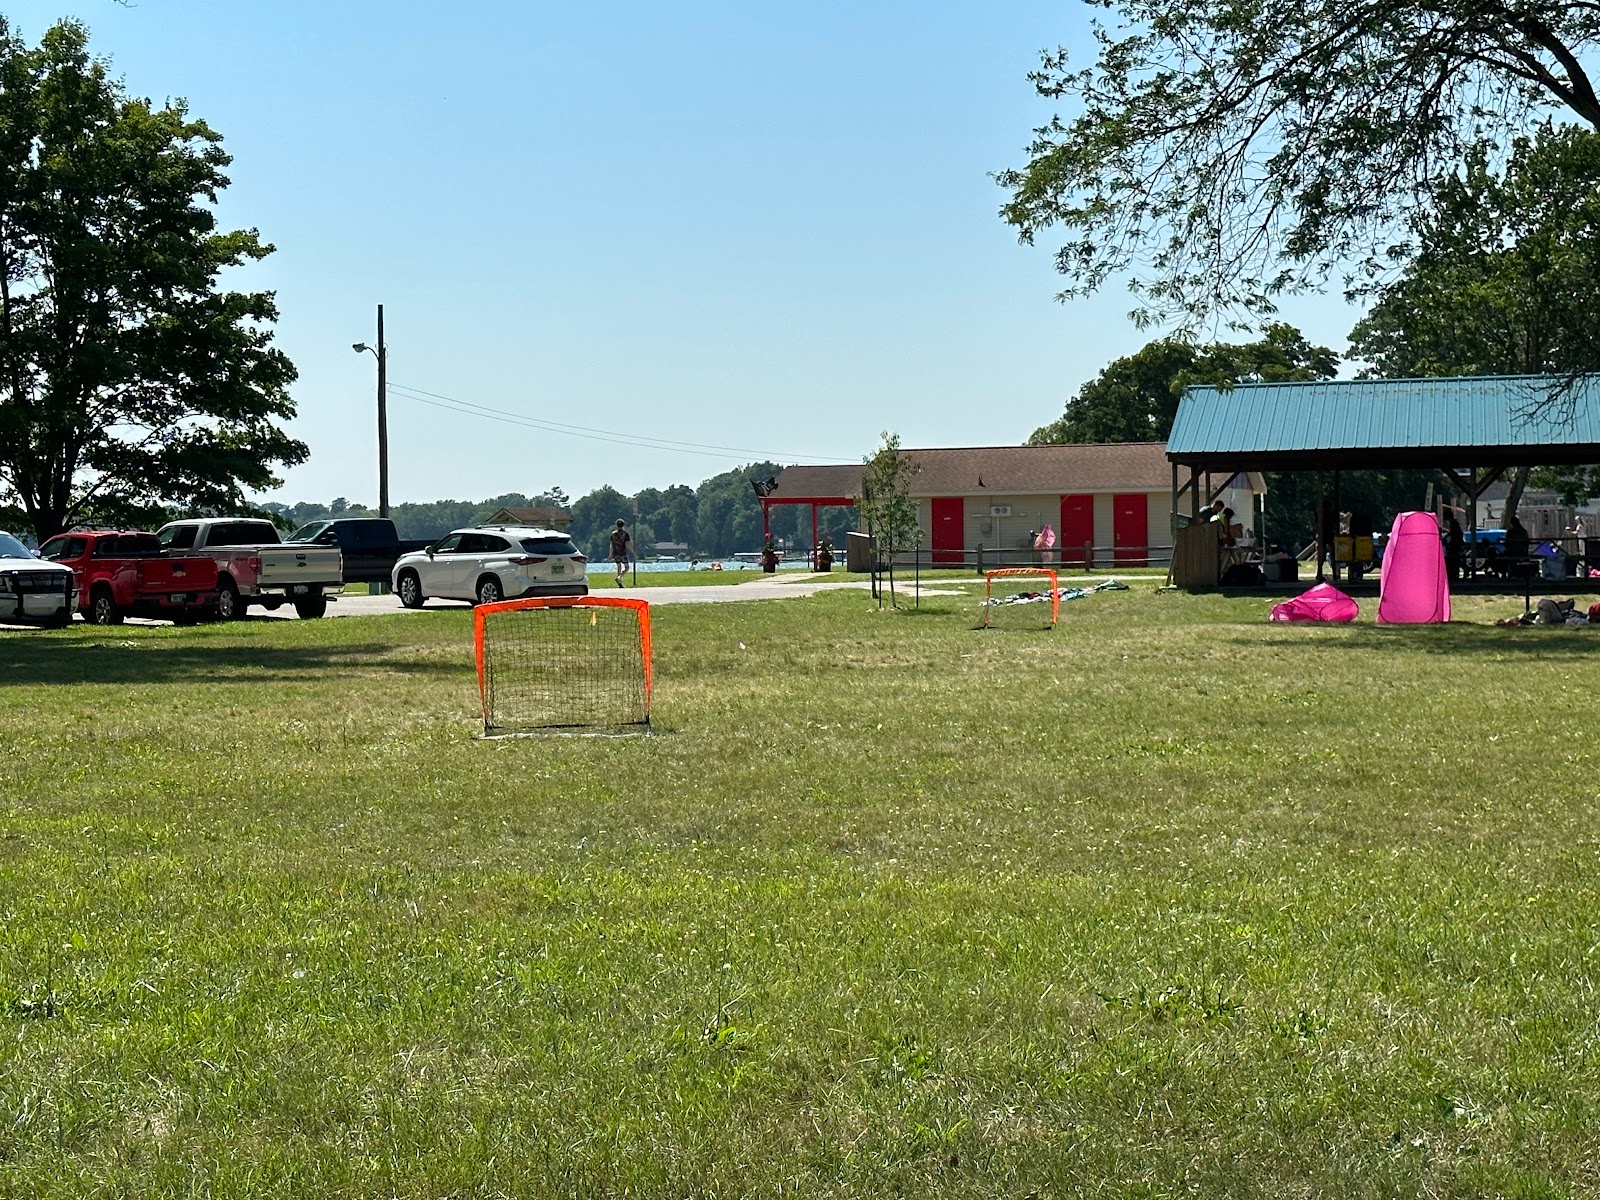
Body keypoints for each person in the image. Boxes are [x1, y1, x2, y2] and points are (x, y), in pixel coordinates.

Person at [608, 519, 633, 587]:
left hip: (616, 553)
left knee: (618, 566)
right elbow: (628, 544)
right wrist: (633, 552)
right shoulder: (625, 534)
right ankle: (620, 577)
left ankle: (619, 582)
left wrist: (610, 554)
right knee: (626, 567)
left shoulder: (613, 534)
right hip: (623, 552)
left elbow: (611, 545)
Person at [1443, 513, 1464, 584]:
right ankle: (1454, 573)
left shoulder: (1453, 524)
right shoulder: (1454, 523)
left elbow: (1454, 534)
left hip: (1455, 544)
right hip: (1455, 544)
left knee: (1453, 559)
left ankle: (1454, 574)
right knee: (1454, 559)